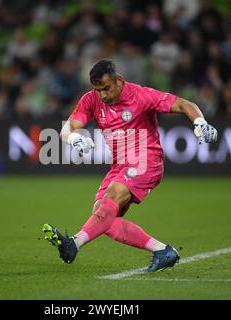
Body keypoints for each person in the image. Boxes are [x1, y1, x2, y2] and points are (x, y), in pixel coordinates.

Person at [42, 59, 218, 272]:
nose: (103, 95)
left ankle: (74, 243)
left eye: (106, 89)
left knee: (111, 198)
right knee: (102, 218)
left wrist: (200, 122)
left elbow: (184, 104)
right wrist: (73, 139)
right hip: (119, 165)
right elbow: (66, 129)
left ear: (119, 81)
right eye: (98, 90)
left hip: (147, 160)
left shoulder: (140, 95)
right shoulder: (91, 100)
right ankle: (163, 251)